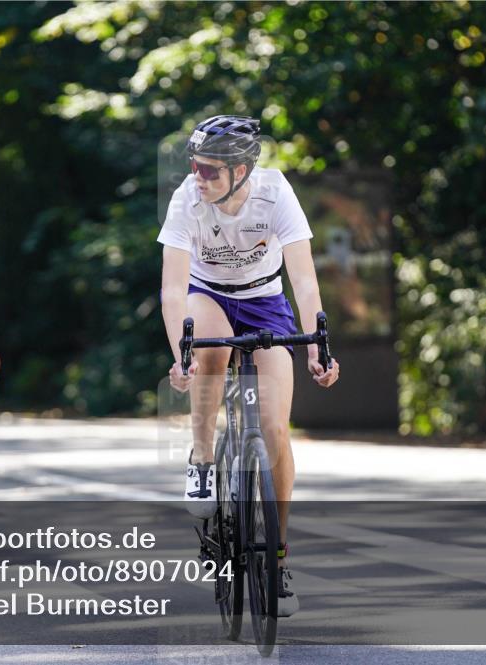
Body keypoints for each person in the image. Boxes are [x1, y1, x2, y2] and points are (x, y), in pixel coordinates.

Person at [159, 115, 340, 617]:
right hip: (208, 294)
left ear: (241, 170)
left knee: (275, 429)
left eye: (210, 170)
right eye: (194, 166)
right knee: (210, 351)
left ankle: (277, 559)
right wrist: (181, 354)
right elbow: (173, 289)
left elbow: (303, 280)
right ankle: (201, 457)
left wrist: (316, 347)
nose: (199, 176)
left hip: (264, 301)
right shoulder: (186, 200)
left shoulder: (275, 192)